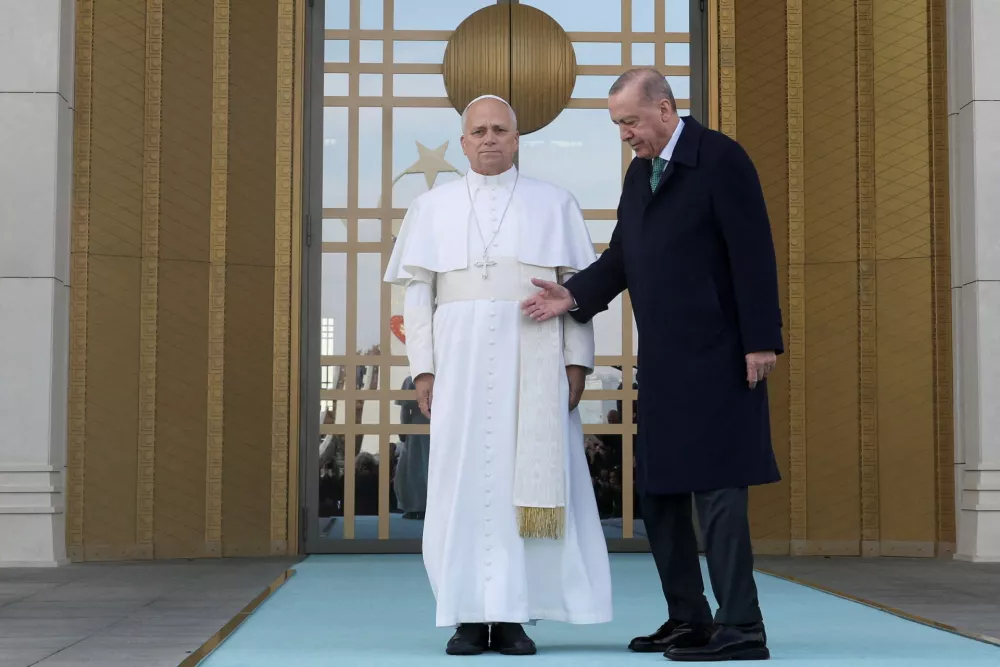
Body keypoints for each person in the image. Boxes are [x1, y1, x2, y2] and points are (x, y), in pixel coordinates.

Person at [521, 68, 783, 662]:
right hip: (664, 363)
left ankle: (742, 628)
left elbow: (753, 252)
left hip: (721, 357)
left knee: (718, 496)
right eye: (618, 124)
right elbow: (623, 254)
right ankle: (688, 620)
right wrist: (575, 295)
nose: (625, 135)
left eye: (631, 121)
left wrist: (760, 340)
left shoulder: (721, 160)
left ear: (665, 109)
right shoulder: (642, 175)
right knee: (661, 496)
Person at [384, 94, 613, 656]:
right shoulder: (431, 207)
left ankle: (513, 615)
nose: (489, 139)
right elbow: (418, 294)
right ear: (464, 142)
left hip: (531, 354)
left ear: (517, 139)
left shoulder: (554, 202)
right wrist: (423, 369)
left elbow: (573, 289)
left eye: (500, 130)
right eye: (479, 131)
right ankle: (466, 614)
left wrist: (577, 361)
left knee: (523, 483)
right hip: (457, 362)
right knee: (460, 484)